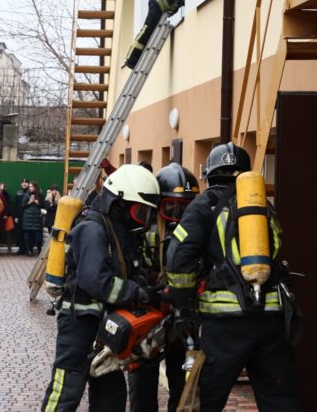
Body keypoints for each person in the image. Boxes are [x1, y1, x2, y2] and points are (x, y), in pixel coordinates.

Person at [165, 143, 300, 412]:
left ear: (211, 174)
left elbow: (179, 257)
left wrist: (184, 303)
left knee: (206, 399)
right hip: (271, 318)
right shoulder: (261, 206)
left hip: (225, 324)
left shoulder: (204, 205)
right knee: (279, 398)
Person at [41, 164, 162, 412]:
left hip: (108, 327)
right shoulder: (92, 228)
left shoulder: (120, 230)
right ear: (119, 202)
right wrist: (137, 293)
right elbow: (96, 280)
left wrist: (145, 286)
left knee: (111, 398)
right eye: (140, 211)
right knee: (66, 390)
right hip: (80, 323)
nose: (142, 220)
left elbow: (130, 269)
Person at [128, 163, 200, 412]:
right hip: (152, 311)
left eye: (186, 208)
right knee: (143, 375)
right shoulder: (143, 231)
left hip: (186, 314)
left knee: (182, 376)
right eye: (172, 208)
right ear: (158, 206)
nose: (179, 216)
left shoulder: (201, 230)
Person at [22, 181, 44, 256]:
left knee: (38, 238)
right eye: (30, 187)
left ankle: (39, 250)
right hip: (28, 219)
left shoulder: (40, 195)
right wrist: (29, 202)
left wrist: (38, 203)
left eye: (32, 187)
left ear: (35, 187)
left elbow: (44, 206)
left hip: (37, 219)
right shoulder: (26, 195)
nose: (30, 188)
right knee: (28, 237)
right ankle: (29, 250)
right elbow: (22, 206)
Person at [14, 178, 30, 255]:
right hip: (19, 217)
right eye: (23, 182)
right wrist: (16, 217)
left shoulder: (30, 193)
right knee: (20, 233)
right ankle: (21, 249)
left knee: (28, 233)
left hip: (28, 216)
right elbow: (15, 206)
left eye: (26, 182)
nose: (24, 184)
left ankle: (28, 249)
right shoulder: (18, 193)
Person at [0, 182, 14, 253]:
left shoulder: (6, 195)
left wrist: (6, 214)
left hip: (7, 216)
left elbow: (9, 205)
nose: (1, 187)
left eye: (2, 186)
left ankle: (9, 248)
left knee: (8, 232)